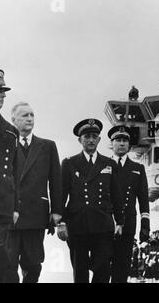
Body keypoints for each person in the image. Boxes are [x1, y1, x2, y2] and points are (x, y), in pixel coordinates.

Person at [57, 118, 124, 283]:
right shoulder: (69, 163)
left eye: (94, 136)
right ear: (80, 140)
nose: (91, 140)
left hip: (102, 225)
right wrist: (61, 222)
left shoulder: (109, 164)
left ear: (99, 139)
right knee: (80, 271)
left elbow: (116, 195)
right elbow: (61, 195)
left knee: (103, 269)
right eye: (87, 136)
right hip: (77, 226)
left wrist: (120, 222)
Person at [7, 102, 62, 283]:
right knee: (7, 265)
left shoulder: (47, 146)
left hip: (35, 215)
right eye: (24, 115)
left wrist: (57, 211)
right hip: (7, 216)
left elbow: (56, 181)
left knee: (33, 265)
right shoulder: (3, 144)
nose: (29, 118)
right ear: (13, 120)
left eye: (31, 115)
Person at [108, 125, 150, 283]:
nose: (121, 143)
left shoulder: (137, 168)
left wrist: (145, 225)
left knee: (122, 266)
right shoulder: (103, 165)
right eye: (117, 140)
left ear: (129, 144)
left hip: (128, 223)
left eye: (125, 140)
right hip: (106, 221)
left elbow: (143, 199)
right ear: (112, 143)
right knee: (103, 265)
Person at [0, 69, 20, 283]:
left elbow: (14, 171)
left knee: (3, 258)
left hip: (2, 205)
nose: (3, 95)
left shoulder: (10, 131)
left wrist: (15, 207)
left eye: (3, 91)